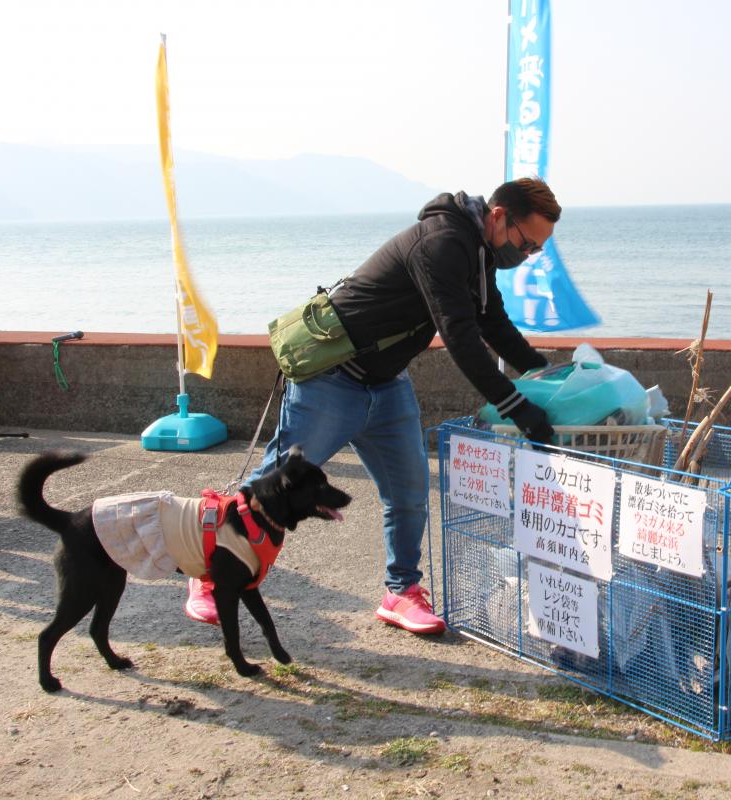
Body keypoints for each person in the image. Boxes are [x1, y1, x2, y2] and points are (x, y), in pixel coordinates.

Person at [185, 177, 561, 634]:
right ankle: (208, 573)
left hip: (387, 384)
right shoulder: (442, 242)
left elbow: (493, 323)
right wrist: (518, 407)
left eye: (536, 250)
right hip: (332, 379)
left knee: (408, 492)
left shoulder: (478, 255)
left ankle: (400, 592)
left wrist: (550, 379)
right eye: (527, 244)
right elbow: (460, 336)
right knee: (272, 484)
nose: (526, 255)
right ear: (500, 215)